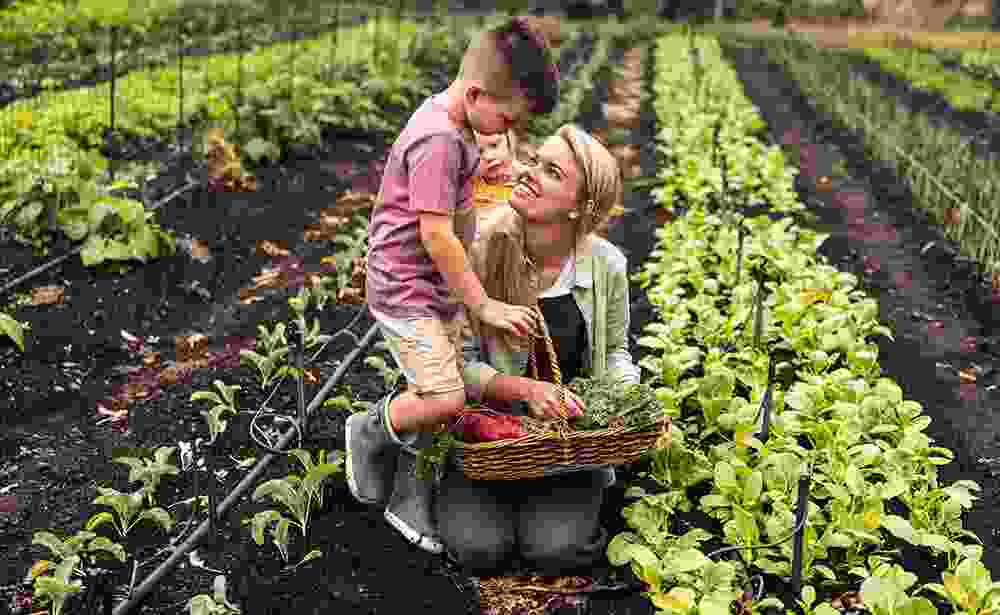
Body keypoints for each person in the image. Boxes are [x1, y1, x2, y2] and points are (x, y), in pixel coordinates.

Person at [346, 17, 560, 555]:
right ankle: (369, 429)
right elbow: (437, 236)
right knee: (445, 397)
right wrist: (482, 303)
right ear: (476, 94)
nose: (506, 132)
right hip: (406, 291)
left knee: (440, 388)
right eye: (506, 119)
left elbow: (458, 211)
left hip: (433, 287)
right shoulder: (439, 139)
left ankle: (409, 498)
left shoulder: (457, 127)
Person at [436, 123, 641, 572]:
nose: (528, 172)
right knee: (479, 550)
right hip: (487, 434)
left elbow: (614, 353)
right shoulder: (476, 250)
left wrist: (629, 397)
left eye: (552, 172)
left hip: (566, 442)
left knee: (554, 551)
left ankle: (558, 504)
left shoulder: (606, 266)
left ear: (580, 207)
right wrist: (524, 390)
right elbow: (453, 365)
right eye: (534, 161)